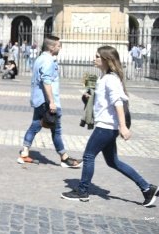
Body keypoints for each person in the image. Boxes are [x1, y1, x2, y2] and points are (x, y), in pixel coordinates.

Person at [62, 46, 158, 206]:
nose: (94, 59)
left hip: (106, 126)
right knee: (113, 162)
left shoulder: (111, 79)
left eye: (97, 56)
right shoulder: (102, 78)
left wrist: (123, 126)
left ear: (106, 60)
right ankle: (147, 188)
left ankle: (83, 191)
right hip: (106, 125)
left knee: (88, 156)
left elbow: (118, 102)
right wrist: (88, 98)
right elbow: (103, 102)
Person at [18, 35, 81, 167]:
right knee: (56, 129)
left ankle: (24, 153)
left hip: (39, 99)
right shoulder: (48, 61)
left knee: (35, 124)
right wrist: (52, 102)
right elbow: (46, 81)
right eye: (58, 45)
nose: (60, 47)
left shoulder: (40, 59)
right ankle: (64, 158)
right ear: (52, 47)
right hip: (47, 102)